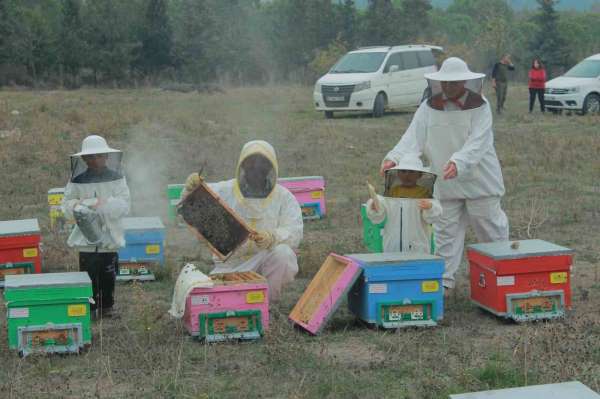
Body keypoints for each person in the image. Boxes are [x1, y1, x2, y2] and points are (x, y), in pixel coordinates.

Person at [380, 57, 509, 292]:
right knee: (444, 233)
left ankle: (502, 277)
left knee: (490, 229)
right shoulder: (428, 107)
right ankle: (443, 284)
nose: (449, 88)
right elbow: (412, 137)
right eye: (446, 83)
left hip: (481, 182)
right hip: (445, 182)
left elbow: (478, 142)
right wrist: (394, 157)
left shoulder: (481, 106)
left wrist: (459, 162)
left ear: (465, 82)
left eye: (455, 83)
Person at [183, 140, 303, 301]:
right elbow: (190, 205)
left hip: (264, 261)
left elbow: (294, 230)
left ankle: (268, 304)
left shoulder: (284, 197)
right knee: (221, 300)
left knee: (284, 254)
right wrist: (190, 188)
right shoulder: (224, 190)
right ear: (243, 166)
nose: (256, 170)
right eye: (251, 164)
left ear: (270, 168)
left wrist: (273, 237)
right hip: (229, 266)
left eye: (262, 165)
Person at [62, 135, 131, 318]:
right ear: (83, 159)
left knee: (108, 273)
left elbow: (124, 203)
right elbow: (66, 204)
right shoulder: (77, 180)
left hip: (109, 236)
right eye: (91, 157)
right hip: (85, 237)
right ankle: (90, 308)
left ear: (106, 156)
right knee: (88, 274)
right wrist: (79, 206)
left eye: (99, 156)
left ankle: (107, 307)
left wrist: (104, 204)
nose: (95, 160)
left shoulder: (117, 178)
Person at [366, 154, 442, 254]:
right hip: (393, 246)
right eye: (403, 171)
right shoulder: (392, 193)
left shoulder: (424, 194)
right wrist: (374, 206)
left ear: (419, 175)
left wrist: (430, 207)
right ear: (398, 174)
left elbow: (434, 215)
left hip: (417, 247)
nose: (407, 175)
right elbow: (379, 215)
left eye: (411, 172)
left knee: (416, 268)